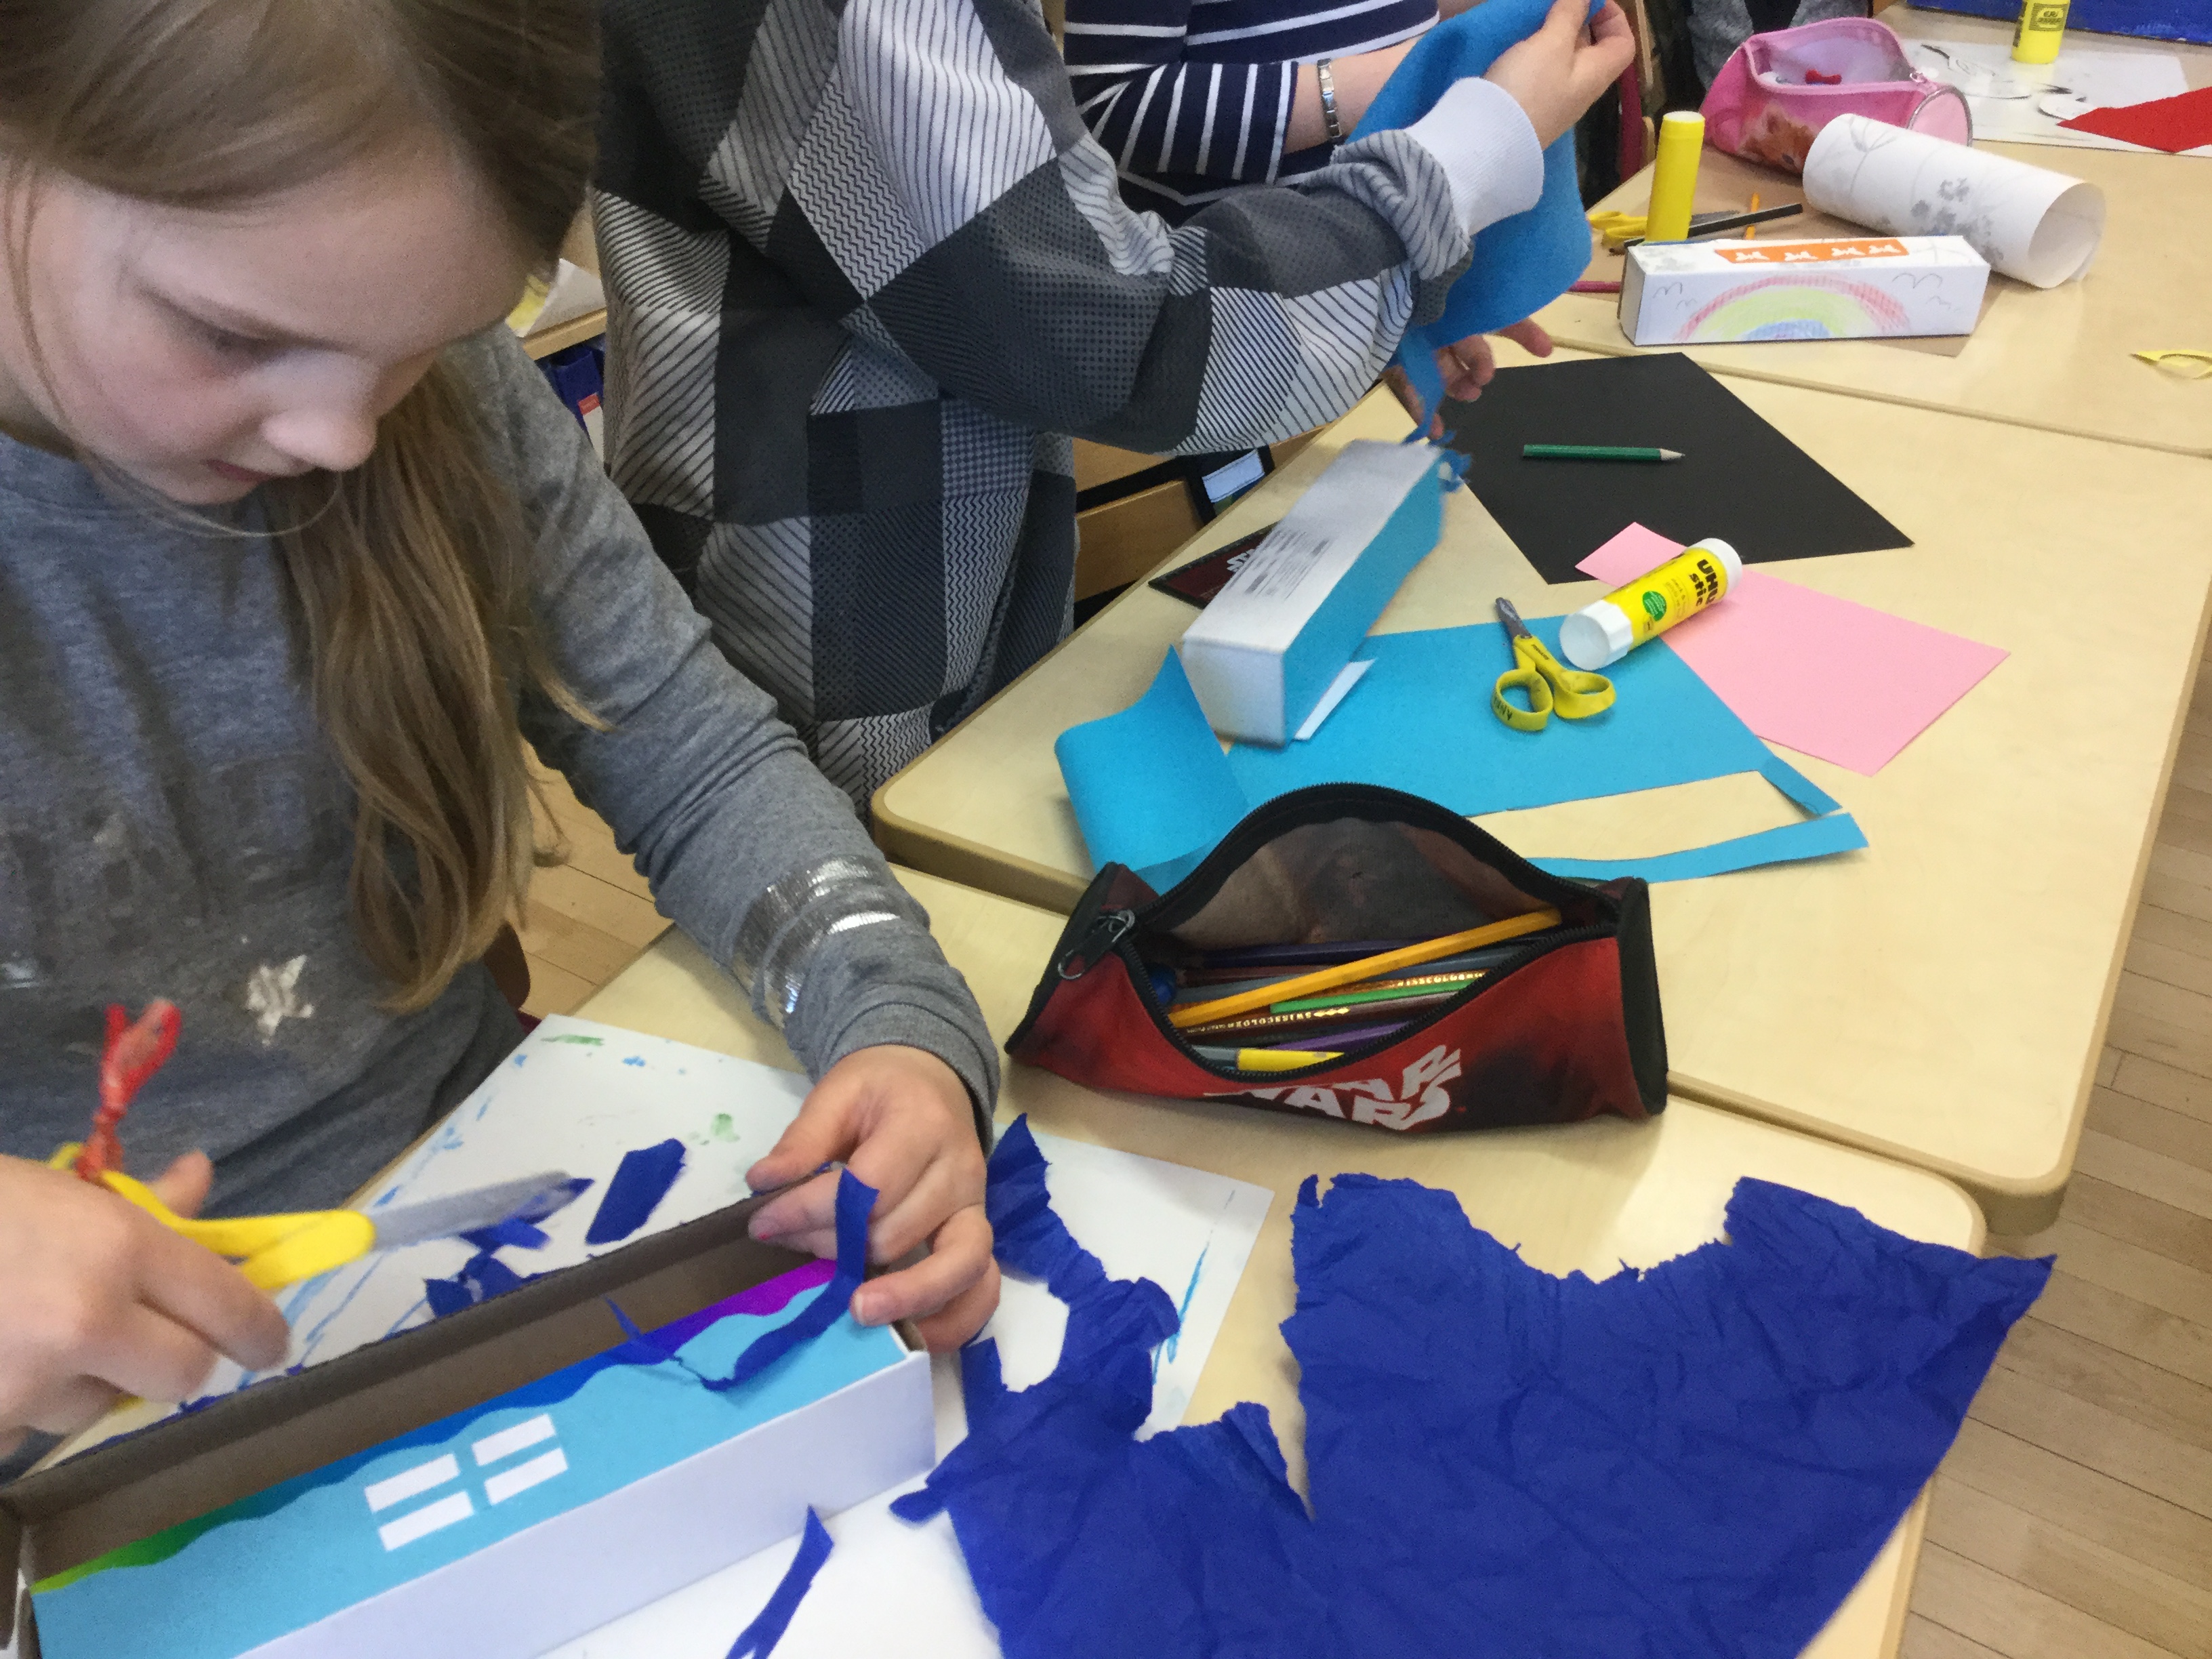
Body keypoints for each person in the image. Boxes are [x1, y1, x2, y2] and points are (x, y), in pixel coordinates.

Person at [0, 0, 1000, 1468]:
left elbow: (691, 748)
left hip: (467, 1205)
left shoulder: (432, 410)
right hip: (80, 1431)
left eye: (429, 344)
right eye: (235, 335)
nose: (342, 438)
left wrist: (896, 1020)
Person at [596, 0, 1635, 804]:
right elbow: (1119, 335)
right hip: (850, 597)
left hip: (913, 515)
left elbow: (1036, 269)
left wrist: (1388, 280)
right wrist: (1459, 167)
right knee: (905, 874)